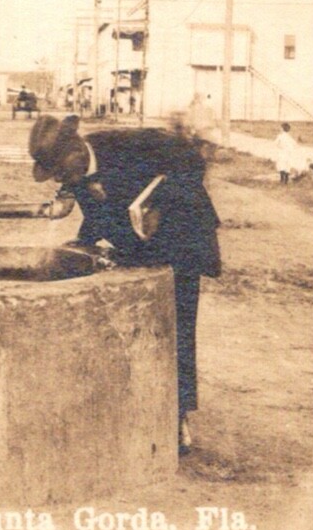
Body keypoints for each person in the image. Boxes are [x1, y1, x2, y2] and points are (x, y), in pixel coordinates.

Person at [28, 114, 222, 457]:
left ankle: (177, 419)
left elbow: (192, 162)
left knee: (177, 331)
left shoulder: (130, 142)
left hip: (182, 240)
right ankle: (136, 413)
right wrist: (81, 243)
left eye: (60, 168)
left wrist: (160, 202)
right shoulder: (76, 177)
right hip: (141, 247)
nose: (59, 177)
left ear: (77, 150)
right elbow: (98, 217)